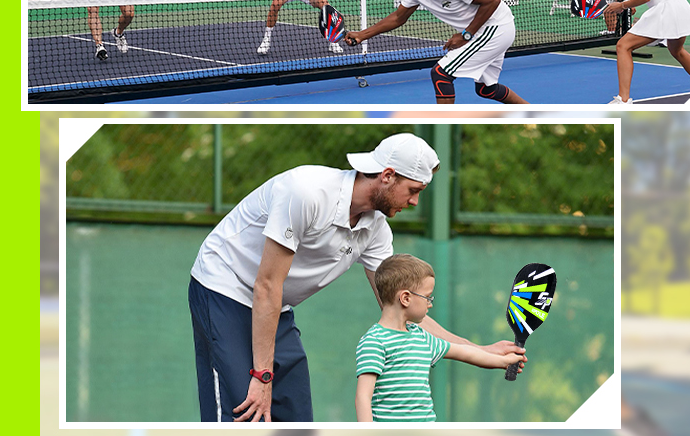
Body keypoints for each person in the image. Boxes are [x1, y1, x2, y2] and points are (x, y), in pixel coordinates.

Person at [189, 133, 526, 422]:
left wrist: (480, 350)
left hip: (276, 305)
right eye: (413, 189)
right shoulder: (306, 192)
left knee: (293, 412)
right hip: (225, 286)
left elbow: (403, 309)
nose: (415, 201)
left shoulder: (376, 229)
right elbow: (266, 284)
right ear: (388, 176)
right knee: (243, 411)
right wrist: (262, 375)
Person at [344, 0, 531, 104]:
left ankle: (443, 133)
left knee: (441, 74)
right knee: (486, 89)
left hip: (495, 27)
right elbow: (398, 17)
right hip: (483, 31)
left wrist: (466, 34)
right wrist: (362, 35)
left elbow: (492, 1)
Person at [355, 254, 527, 422]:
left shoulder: (422, 337)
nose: (430, 303)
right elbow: (363, 397)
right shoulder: (374, 342)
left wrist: (502, 361)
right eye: (427, 297)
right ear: (405, 298)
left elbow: (465, 352)